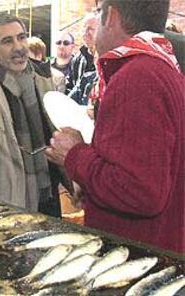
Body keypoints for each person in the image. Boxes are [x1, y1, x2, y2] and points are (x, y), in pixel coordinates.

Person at [46, 0, 185, 254]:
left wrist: (74, 155)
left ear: (110, 16)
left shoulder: (138, 76)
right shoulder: (158, 68)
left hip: (135, 259)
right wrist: (91, 185)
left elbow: (141, 191)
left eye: (97, 13)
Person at [0, 14, 72, 216]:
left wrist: (73, 181)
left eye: (21, 37)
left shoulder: (46, 79)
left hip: (48, 194)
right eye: (7, 41)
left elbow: (59, 132)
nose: (18, 47)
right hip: (6, 200)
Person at [66, 13, 99, 105]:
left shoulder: (107, 58)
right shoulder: (77, 59)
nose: (85, 32)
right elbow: (71, 86)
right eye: (84, 28)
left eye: (90, 29)